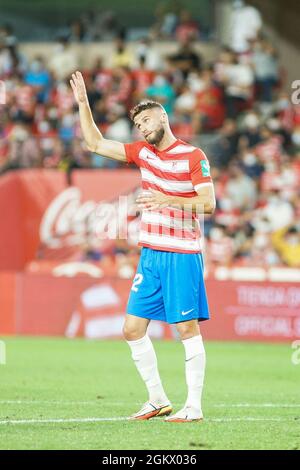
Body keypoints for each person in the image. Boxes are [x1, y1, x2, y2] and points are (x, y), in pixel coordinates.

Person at [70, 71, 215, 423]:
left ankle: (193, 407)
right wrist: (84, 104)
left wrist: (164, 198)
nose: (142, 127)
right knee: (132, 329)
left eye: (147, 119)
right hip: (151, 255)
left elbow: (208, 204)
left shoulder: (193, 156)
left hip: (182, 254)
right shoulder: (142, 154)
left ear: (163, 117)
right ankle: (157, 400)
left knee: (186, 329)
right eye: (138, 124)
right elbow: (95, 144)